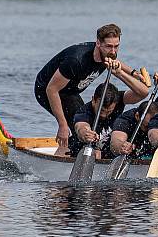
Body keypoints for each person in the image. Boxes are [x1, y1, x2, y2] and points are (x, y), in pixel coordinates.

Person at [34, 23, 148, 156]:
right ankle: (62, 160)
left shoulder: (106, 54)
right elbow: (51, 89)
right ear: (98, 43)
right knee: (75, 128)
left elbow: (114, 62)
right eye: (109, 46)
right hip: (47, 90)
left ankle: (80, 151)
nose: (113, 51)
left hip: (71, 91)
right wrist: (62, 125)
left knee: (87, 127)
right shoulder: (76, 61)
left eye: (116, 46)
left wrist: (133, 73)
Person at [109, 73, 158, 158]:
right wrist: (121, 147)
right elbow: (116, 140)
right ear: (137, 116)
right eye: (146, 126)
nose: (150, 129)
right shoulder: (126, 119)